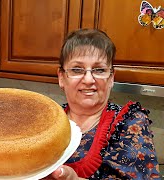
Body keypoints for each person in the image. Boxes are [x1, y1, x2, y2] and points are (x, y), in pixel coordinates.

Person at [47, 29, 161, 179]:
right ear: (61, 77)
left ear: (111, 78)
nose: (88, 80)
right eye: (77, 69)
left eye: (99, 70)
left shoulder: (130, 121)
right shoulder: (50, 119)